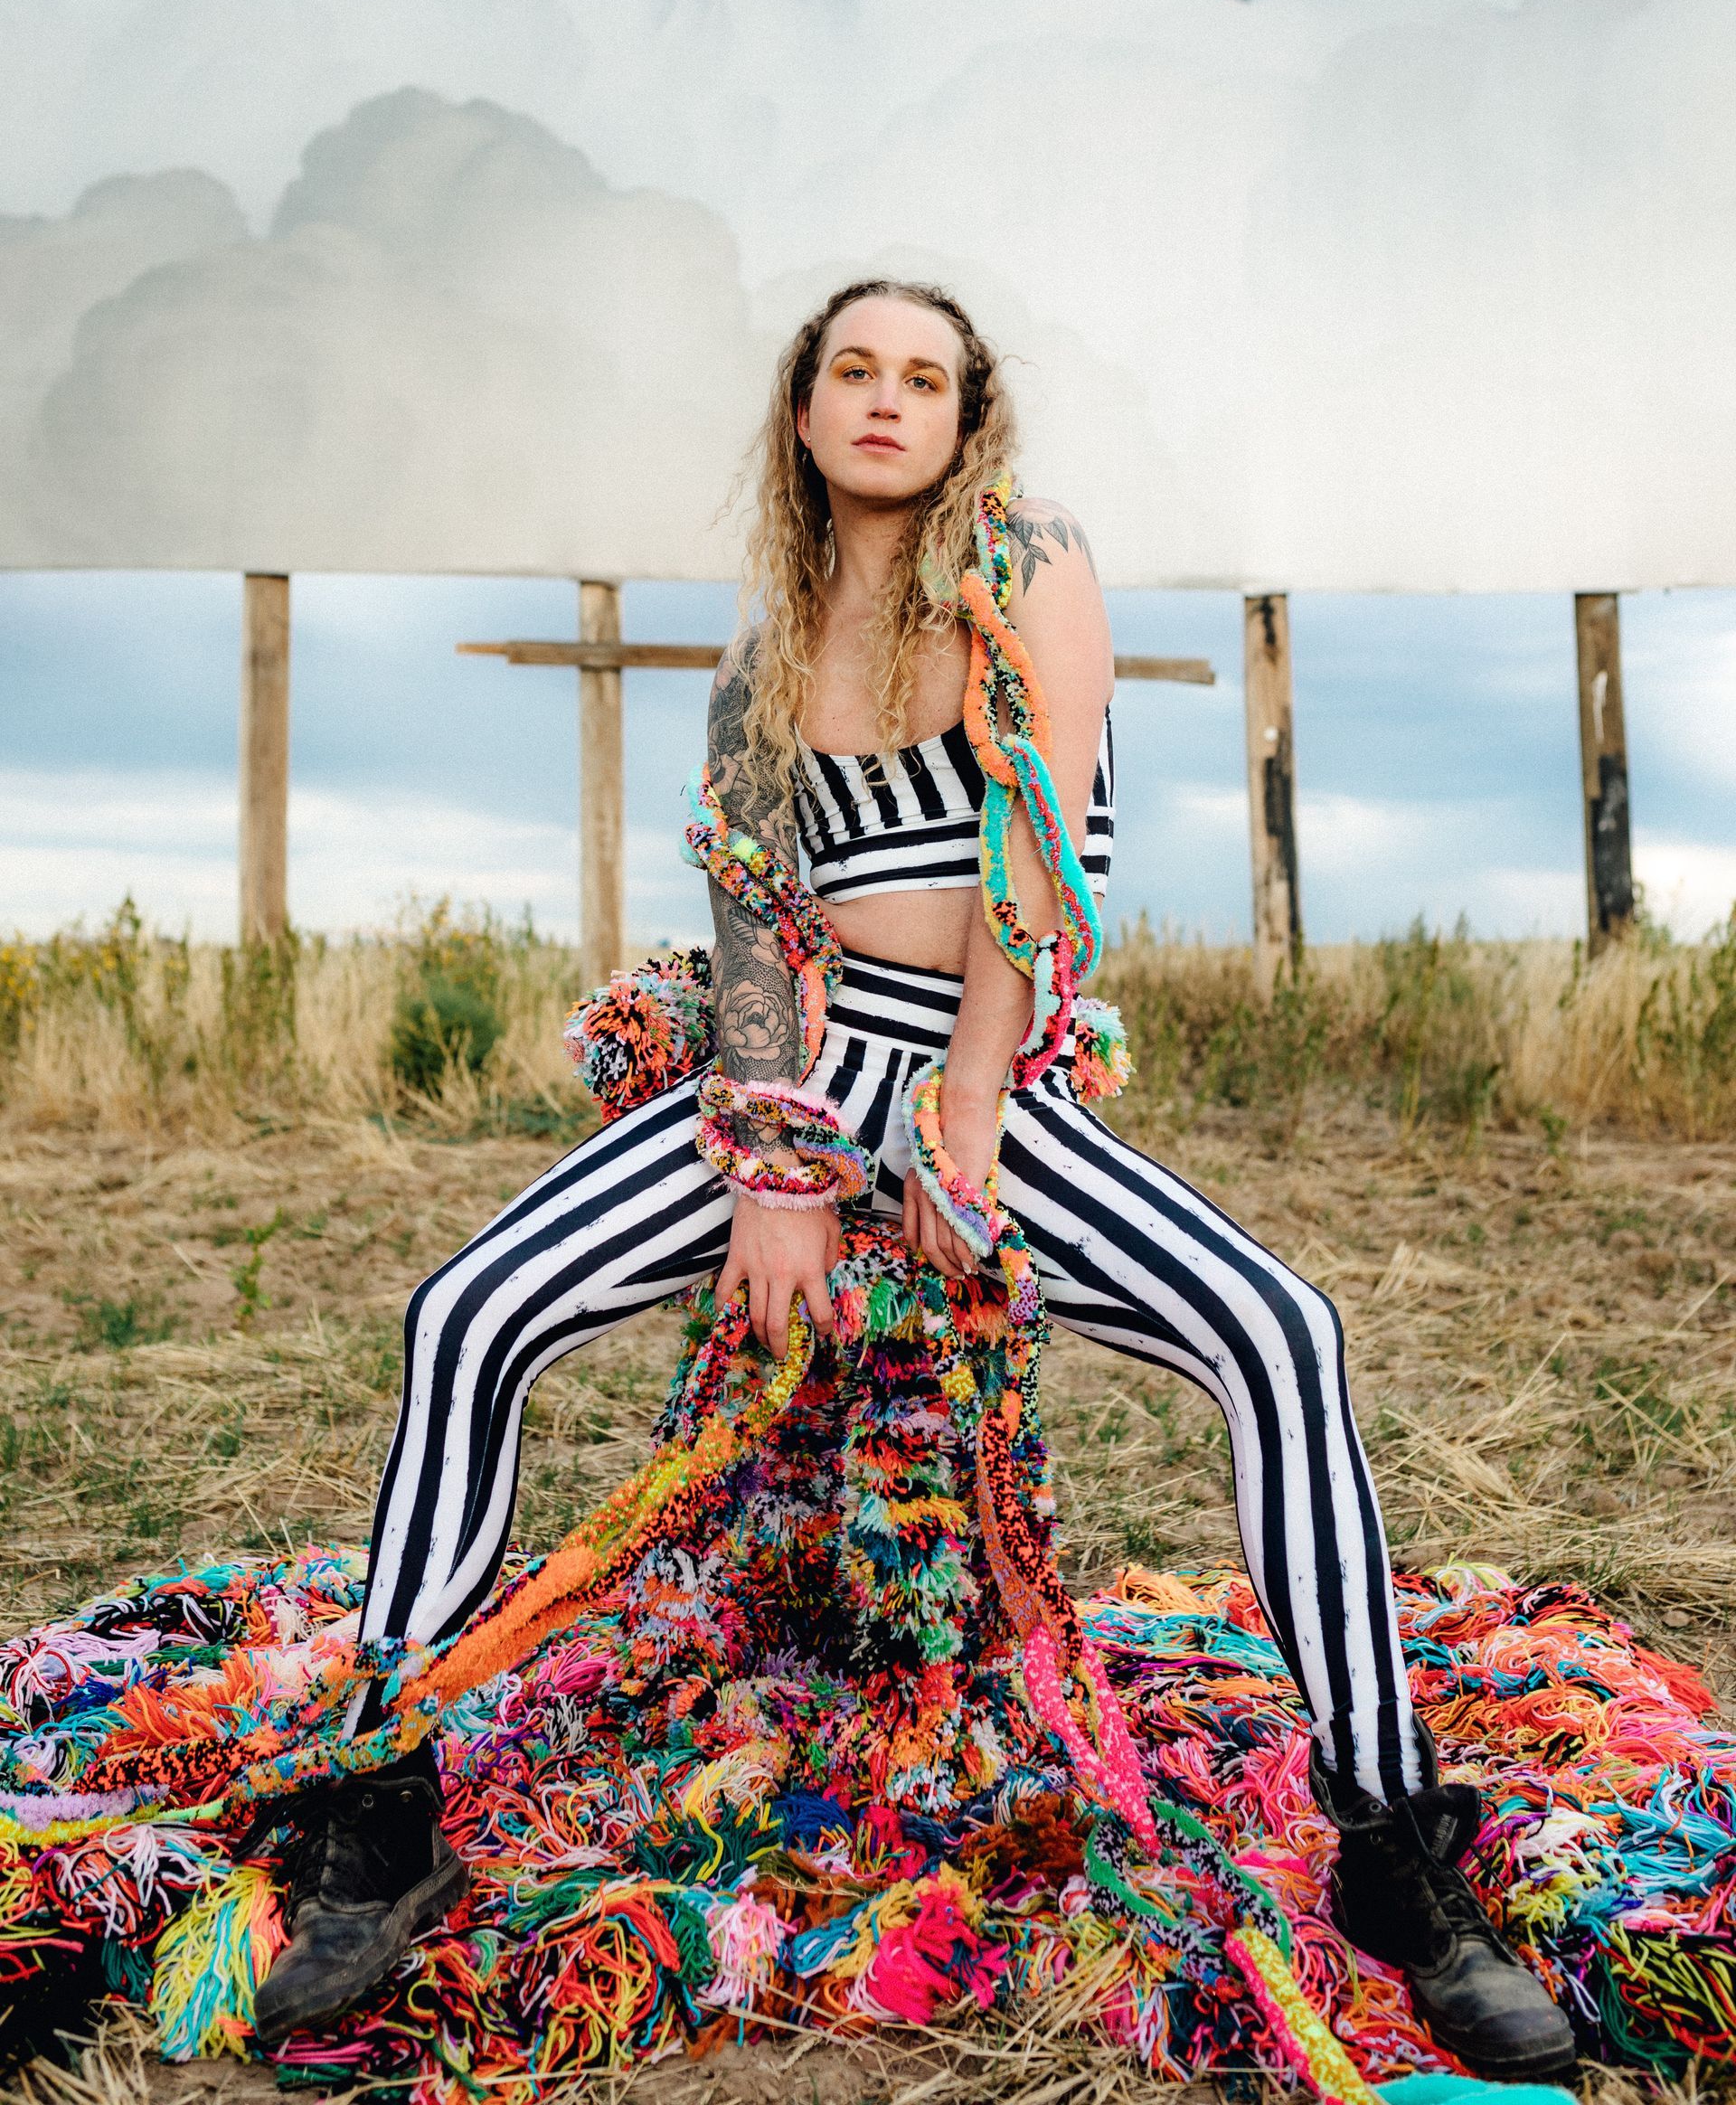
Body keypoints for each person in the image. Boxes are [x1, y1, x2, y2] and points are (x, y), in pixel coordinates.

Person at [253, 280, 1574, 2081]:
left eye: (924, 377)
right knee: (465, 1313)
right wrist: (776, 1165)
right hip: (809, 1062)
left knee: (1284, 1338)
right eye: (853, 371)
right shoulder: (761, 658)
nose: (887, 399)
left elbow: (1032, 851)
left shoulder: (1027, 564)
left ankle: (1396, 1846)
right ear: (804, 412)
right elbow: (746, 930)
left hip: (988, 1063)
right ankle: (379, 1801)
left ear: (968, 415)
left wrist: (963, 1127)